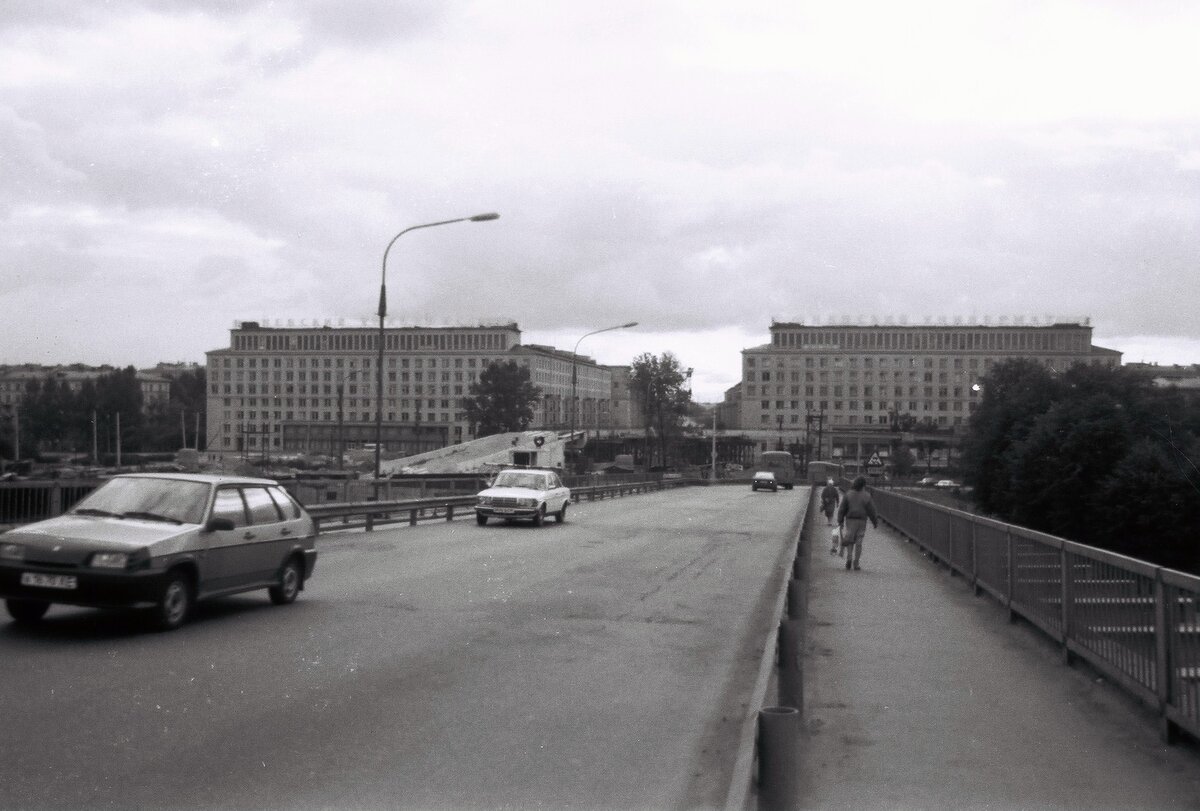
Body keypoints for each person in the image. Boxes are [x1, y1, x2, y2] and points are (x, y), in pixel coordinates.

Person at [837, 476, 878, 571]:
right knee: (859, 542)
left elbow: (842, 509)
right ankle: (856, 563)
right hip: (862, 521)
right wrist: (875, 521)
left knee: (850, 540)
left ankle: (849, 558)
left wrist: (840, 520)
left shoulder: (848, 494)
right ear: (864, 485)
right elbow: (872, 511)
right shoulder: (867, 496)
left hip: (850, 520)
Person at [821, 479, 841, 554]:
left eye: (831, 484)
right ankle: (829, 520)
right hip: (829, 502)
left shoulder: (830, 489)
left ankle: (830, 521)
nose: (830, 485)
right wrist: (824, 500)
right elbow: (823, 495)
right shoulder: (828, 489)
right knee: (828, 512)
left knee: (830, 512)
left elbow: (836, 496)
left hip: (830, 502)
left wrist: (837, 502)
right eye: (830, 484)